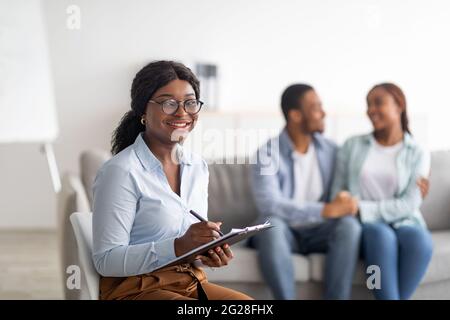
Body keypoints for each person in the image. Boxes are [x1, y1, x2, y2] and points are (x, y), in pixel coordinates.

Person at [92, 60, 252, 300]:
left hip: (186, 281)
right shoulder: (121, 171)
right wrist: (180, 245)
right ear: (143, 111)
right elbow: (107, 261)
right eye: (168, 103)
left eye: (190, 102)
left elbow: (188, 248)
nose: (182, 112)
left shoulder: (197, 167)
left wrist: (205, 253)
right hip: (136, 288)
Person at [249, 84, 362, 300]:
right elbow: (270, 204)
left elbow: (353, 180)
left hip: (320, 231)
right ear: (295, 115)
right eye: (316, 108)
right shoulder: (267, 154)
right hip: (285, 233)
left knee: (349, 225)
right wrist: (325, 210)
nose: (324, 113)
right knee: (270, 224)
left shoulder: (331, 150)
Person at [330, 83, 433, 300]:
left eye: (378, 103)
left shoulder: (418, 152)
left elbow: (410, 203)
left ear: (399, 106)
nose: (371, 110)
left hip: (404, 220)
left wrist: (362, 207)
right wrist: (346, 202)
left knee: (421, 240)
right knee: (381, 236)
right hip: (367, 225)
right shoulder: (352, 145)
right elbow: (337, 192)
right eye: (368, 104)